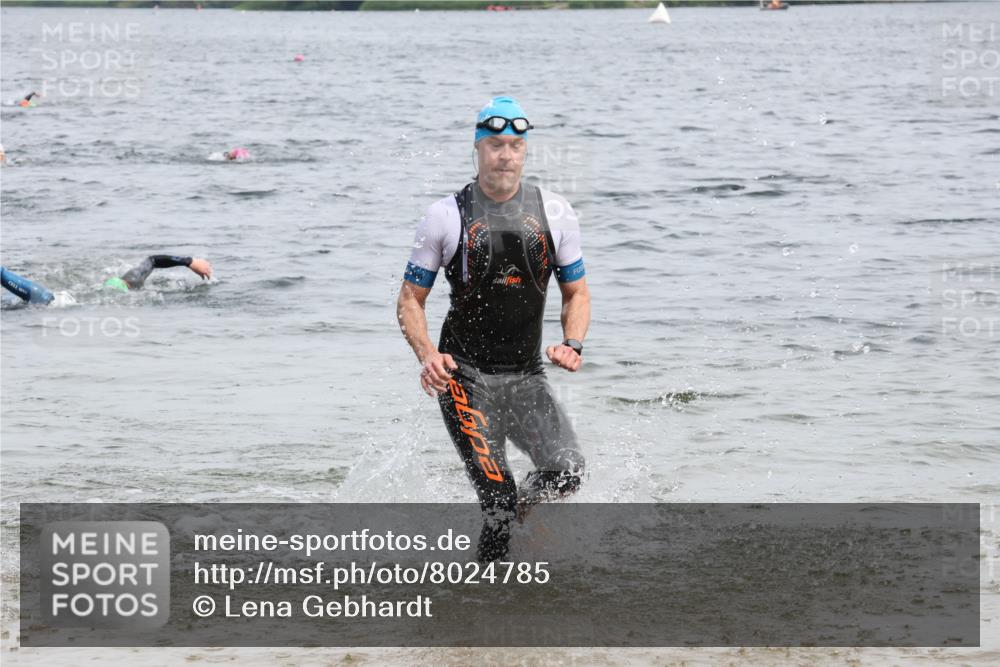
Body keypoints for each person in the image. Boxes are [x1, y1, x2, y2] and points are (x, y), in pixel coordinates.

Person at [396, 96, 591, 562]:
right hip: (464, 378)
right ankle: (482, 605)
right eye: (495, 145)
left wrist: (572, 342)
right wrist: (428, 354)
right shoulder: (446, 215)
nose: (505, 154)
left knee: (567, 471)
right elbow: (409, 299)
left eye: (514, 145)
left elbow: (577, 294)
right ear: (477, 149)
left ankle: (514, 528)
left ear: (525, 152)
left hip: (526, 377)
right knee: (498, 501)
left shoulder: (557, 213)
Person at [1, 255, 212, 304]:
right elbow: (152, 260)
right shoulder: (133, 284)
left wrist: (188, 261)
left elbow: (152, 260)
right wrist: (188, 261)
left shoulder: (129, 282)